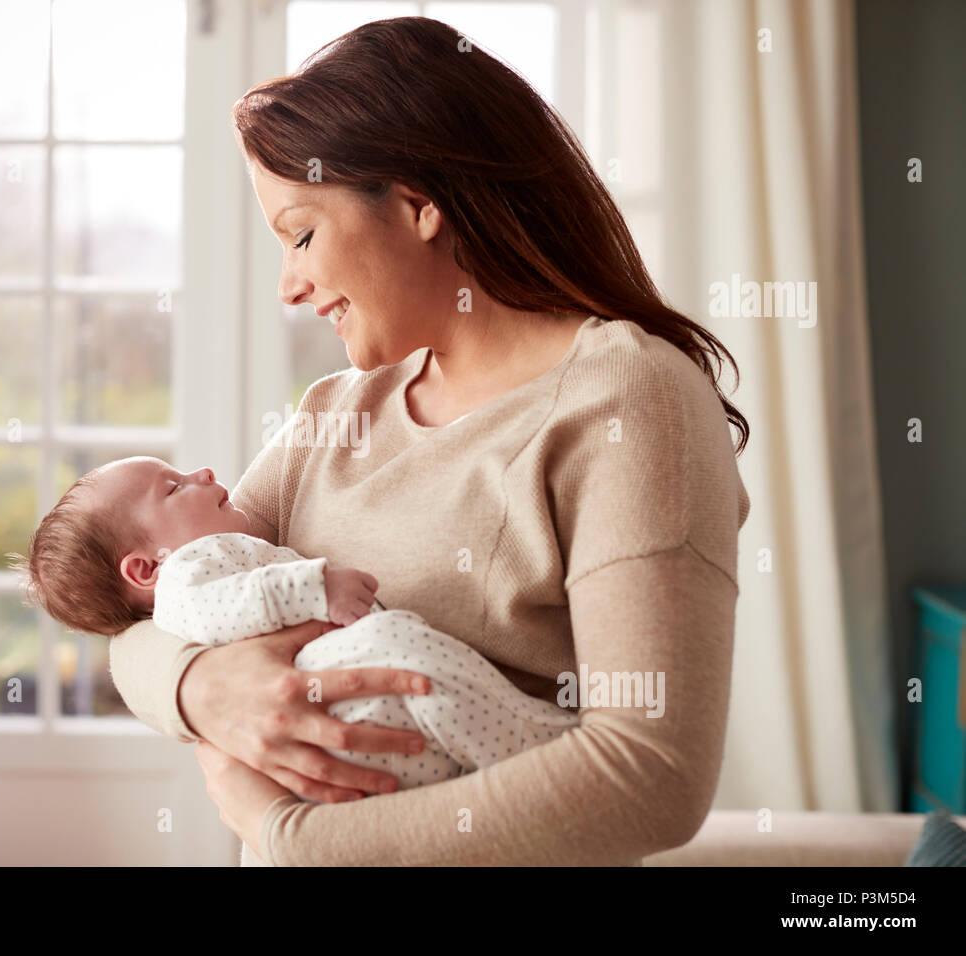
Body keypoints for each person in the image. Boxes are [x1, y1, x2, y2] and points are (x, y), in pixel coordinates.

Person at [109, 16, 751, 866]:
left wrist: (294, 837)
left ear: (416, 207)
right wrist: (198, 687)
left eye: (301, 234)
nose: (289, 285)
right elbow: (139, 612)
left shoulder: (629, 400)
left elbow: (651, 774)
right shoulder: (335, 413)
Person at [9, 455, 581, 795]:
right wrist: (314, 587)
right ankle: (546, 744)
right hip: (343, 693)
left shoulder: (205, 551)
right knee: (414, 659)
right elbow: (200, 615)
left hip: (365, 729)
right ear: (146, 567)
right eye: (174, 486)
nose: (203, 471)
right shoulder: (188, 572)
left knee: (434, 693)